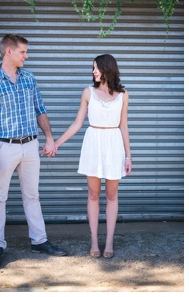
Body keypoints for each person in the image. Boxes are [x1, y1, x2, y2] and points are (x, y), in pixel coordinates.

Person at [0, 34, 68, 270]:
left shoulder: (29, 78)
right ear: (9, 51)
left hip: (30, 145)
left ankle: (39, 241)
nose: (26, 56)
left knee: (32, 195)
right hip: (4, 147)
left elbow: (40, 110)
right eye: (23, 52)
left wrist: (49, 138)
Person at [54, 54, 132, 259]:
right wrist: (56, 143)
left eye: (97, 68)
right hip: (93, 142)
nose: (93, 72)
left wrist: (128, 156)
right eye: (93, 68)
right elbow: (77, 123)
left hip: (114, 143)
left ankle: (109, 241)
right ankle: (94, 241)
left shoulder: (123, 95)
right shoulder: (88, 92)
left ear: (108, 69)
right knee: (93, 194)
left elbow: (124, 126)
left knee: (112, 195)